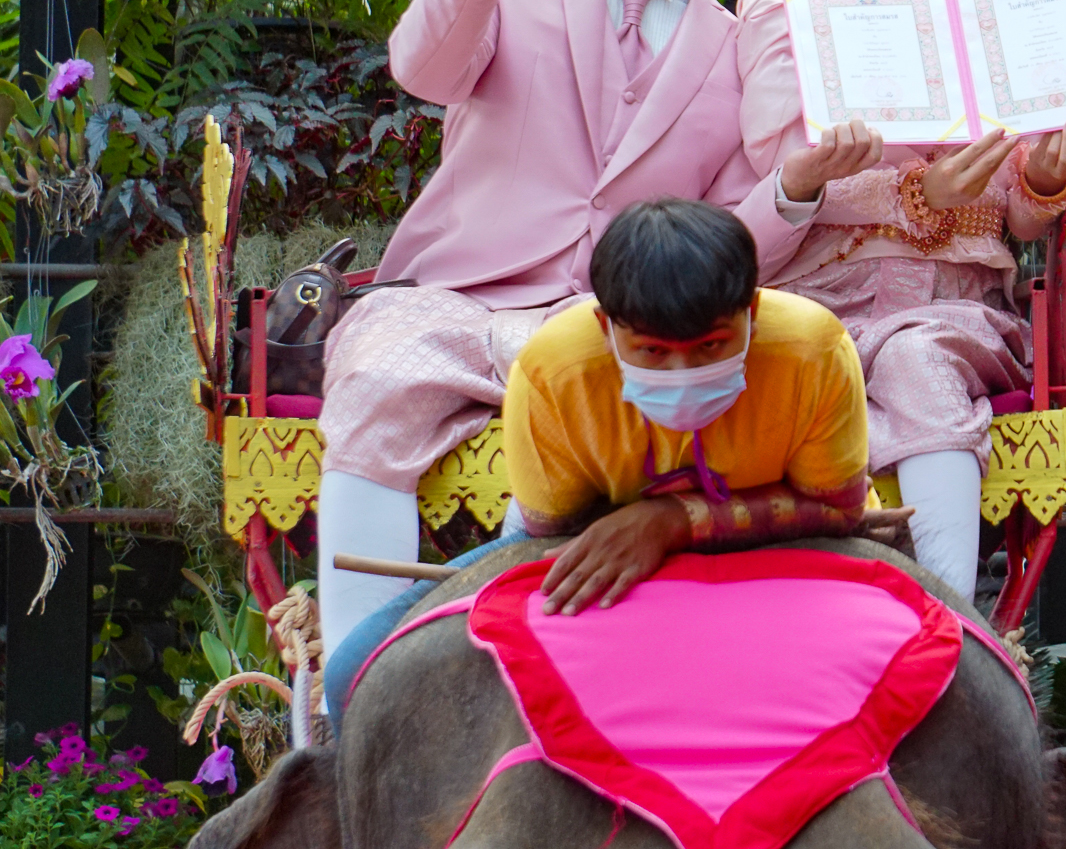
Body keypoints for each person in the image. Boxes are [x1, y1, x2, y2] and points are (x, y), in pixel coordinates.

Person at [315, 0, 880, 659]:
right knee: (378, 374)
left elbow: (724, 242)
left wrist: (796, 186)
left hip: (612, 327)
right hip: (454, 298)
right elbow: (423, 70)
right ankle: (355, 683)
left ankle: (567, 660)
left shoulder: (733, 45)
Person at [734, 0, 1066, 600]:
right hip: (826, 293)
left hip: (958, 308)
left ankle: (948, 618)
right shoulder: (780, 5)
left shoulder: (995, 10)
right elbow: (781, 164)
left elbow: (1021, 210)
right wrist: (915, 191)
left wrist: (1042, 177)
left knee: (916, 356)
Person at [321, 199, 870, 713]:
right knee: (352, 669)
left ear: (752, 311)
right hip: (583, 533)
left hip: (784, 546)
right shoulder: (552, 370)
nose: (683, 373)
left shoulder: (814, 348)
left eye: (712, 346)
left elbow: (840, 510)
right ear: (606, 328)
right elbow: (555, 536)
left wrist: (674, 521)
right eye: (652, 351)